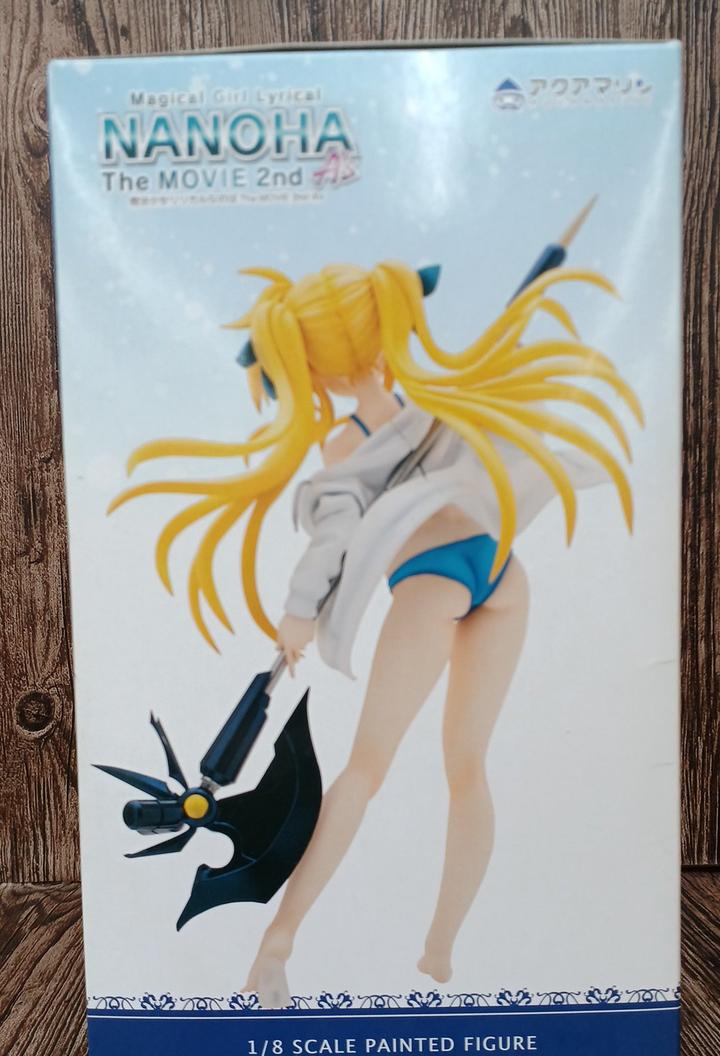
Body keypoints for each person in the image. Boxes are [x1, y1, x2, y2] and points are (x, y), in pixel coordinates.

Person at [110, 259, 642, 1006]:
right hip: (486, 574)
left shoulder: (365, 434)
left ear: (316, 371)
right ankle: (417, 946)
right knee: (448, 767)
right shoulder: (425, 405)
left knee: (384, 769)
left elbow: (341, 534)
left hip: (447, 580)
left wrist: (299, 615)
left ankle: (305, 938)